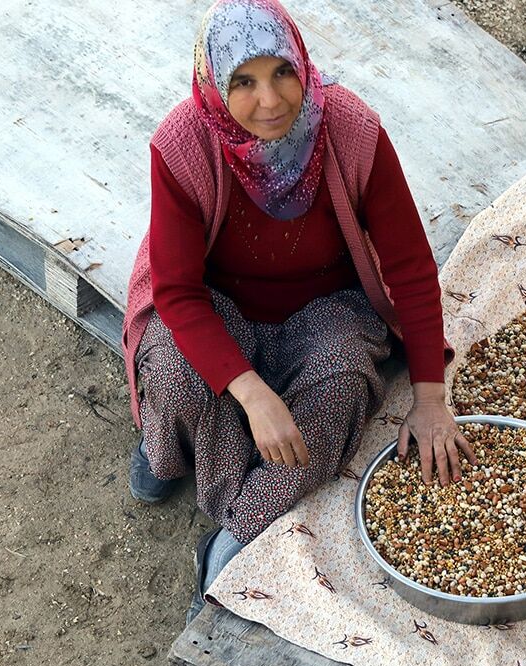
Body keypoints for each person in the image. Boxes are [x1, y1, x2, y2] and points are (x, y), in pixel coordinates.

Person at [120, 0, 475, 623]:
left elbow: (412, 268)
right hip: (217, 303)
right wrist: (253, 392)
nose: (271, 101)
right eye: (243, 82)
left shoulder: (352, 130)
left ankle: (235, 530)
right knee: (177, 378)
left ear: (303, 63)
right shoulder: (182, 144)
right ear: (211, 83)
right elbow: (177, 292)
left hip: (326, 308)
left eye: (283, 72)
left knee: (333, 400)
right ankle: (164, 449)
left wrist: (429, 398)